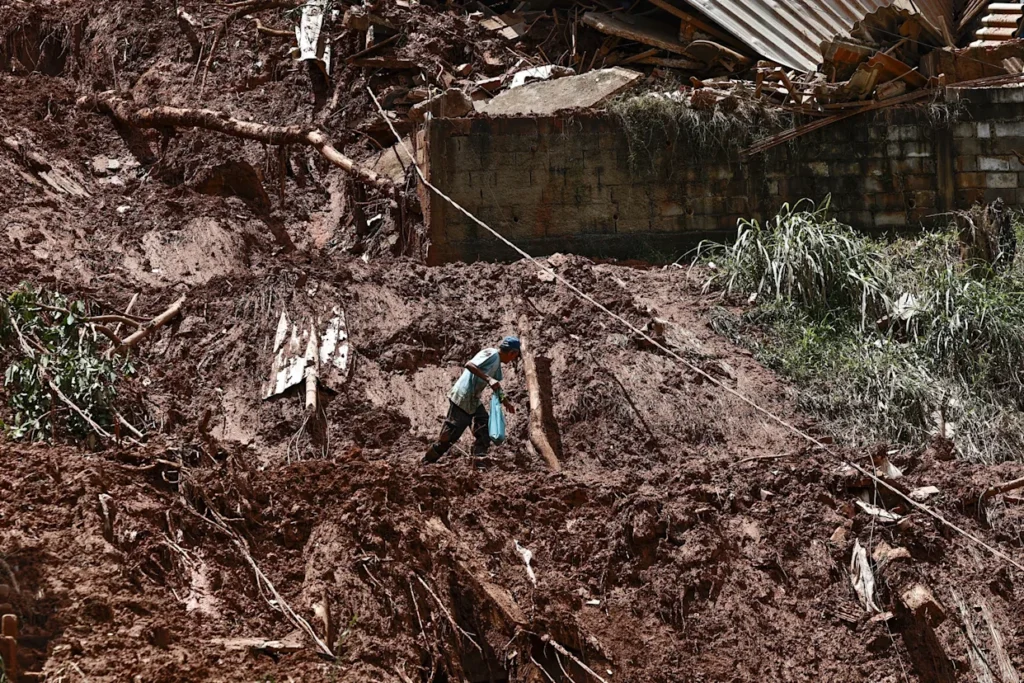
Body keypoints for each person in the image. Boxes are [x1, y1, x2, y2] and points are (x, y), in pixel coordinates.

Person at [423, 337, 520, 463]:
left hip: (473, 401)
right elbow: (469, 364)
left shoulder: (497, 365)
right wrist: (488, 379)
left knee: (484, 427)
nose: (513, 359)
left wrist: (505, 402)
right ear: (512, 352)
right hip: (463, 397)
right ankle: (426, 461)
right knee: (449, 436)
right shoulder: (491, 354)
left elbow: (496, 385)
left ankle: (479, 460)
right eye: (515, 356)